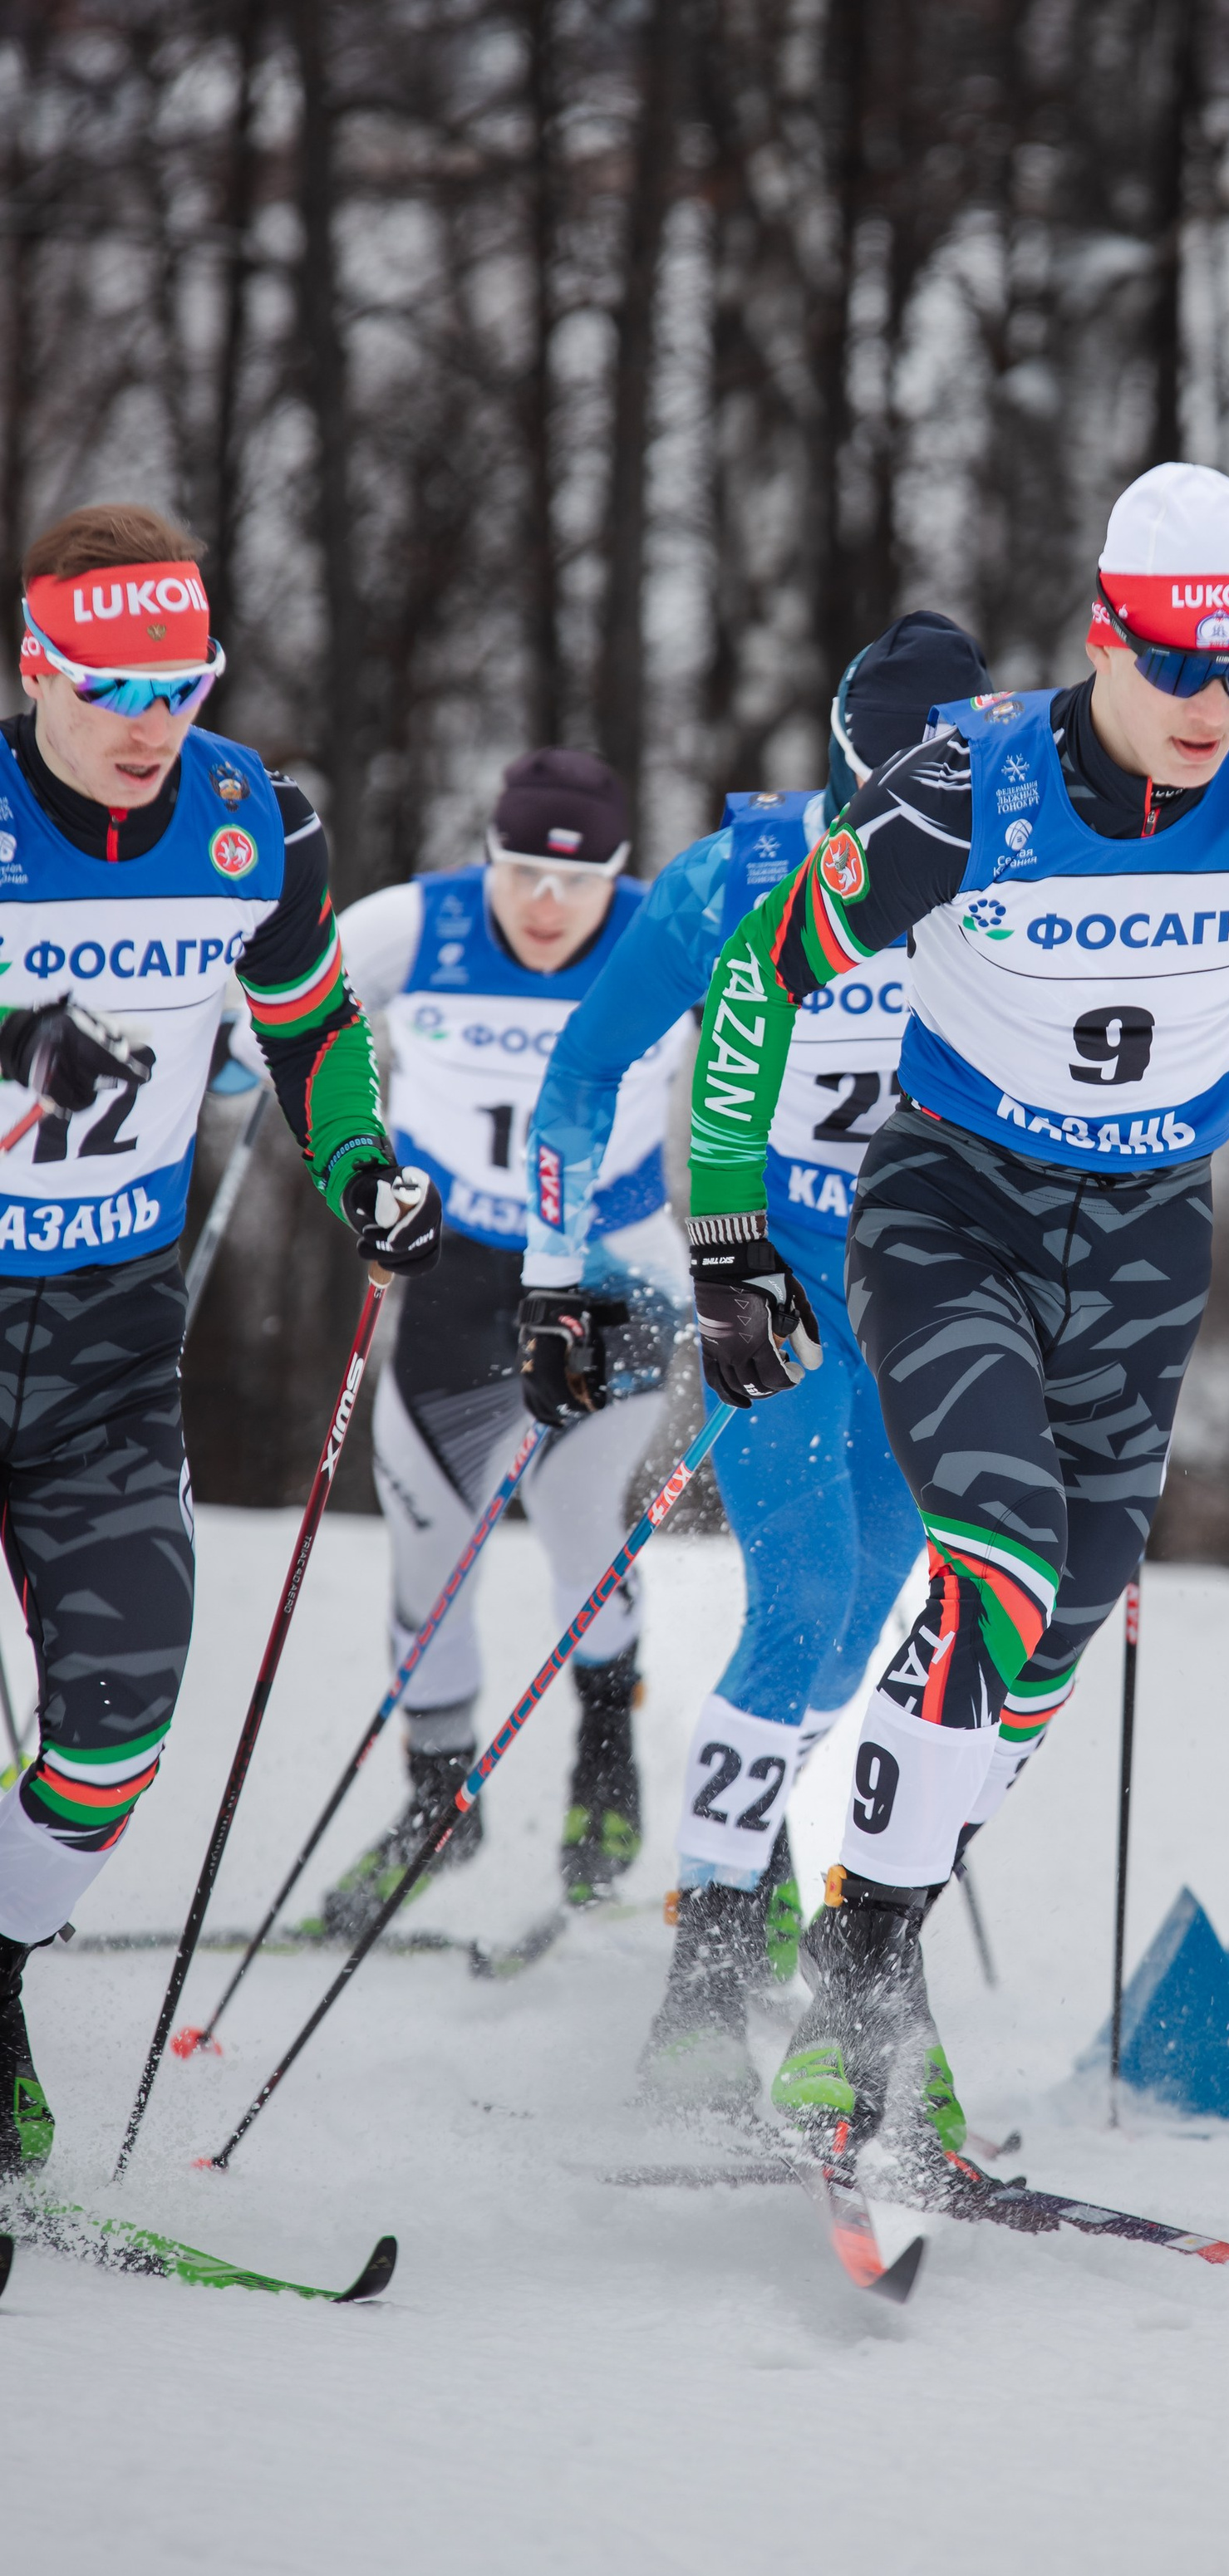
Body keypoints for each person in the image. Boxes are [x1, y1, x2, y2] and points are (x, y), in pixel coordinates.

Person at [677, 462, 1229, 2193]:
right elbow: (764, 970)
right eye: (1179, 663)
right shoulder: (966, 788)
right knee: (996, 1555)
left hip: (1146, 1237)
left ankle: (872, 1943)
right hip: (954, 1208)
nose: (1213, 701)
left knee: (1062, 1618)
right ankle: (852, 1988)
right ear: (1105, 638)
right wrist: (727, 1232)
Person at [0, 502, 440, 2178]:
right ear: (36, 667)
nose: (147, 726)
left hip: (107, 1342)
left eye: (179, 688)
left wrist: (360, 1163)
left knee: (117, 1725)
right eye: (109, 688)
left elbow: (310, 1025)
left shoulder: (255, 825)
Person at [519, 612, 988, 2110]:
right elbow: (587, 1064)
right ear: (845, 764)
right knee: (801, 1600)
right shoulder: (738, 875)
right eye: (886, 783)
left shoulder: (1007, 861)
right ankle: (705, 1978)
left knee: (866, 1620)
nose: (913, 818)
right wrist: (552, 1273)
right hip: (767, 1269)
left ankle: (769, 1859)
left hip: (926, 1287)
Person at [296, 749, 695, 1933]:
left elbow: (782, 1027)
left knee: (577, 1515)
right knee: (427, 1534)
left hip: (614, 1266)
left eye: (578, 881)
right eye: (522, 873)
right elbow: (287, 1001)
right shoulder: (417, 926)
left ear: (620, 874)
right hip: (459, 1268)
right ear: (487, 857)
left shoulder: (670, 932)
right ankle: (439, 1799)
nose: (546, 904)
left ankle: (606, 1766)